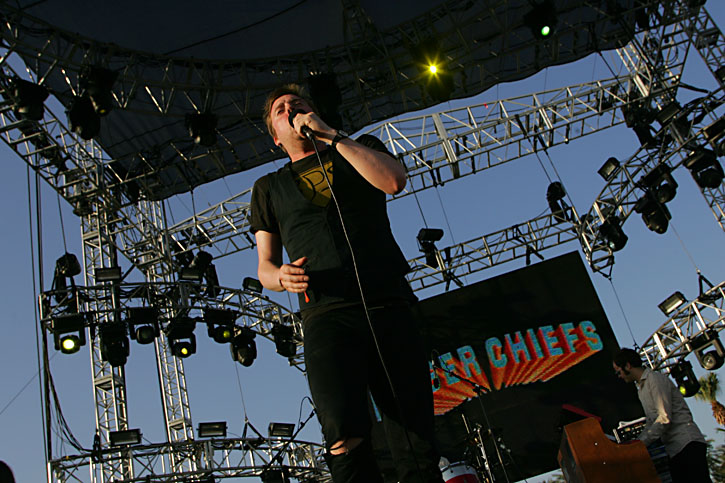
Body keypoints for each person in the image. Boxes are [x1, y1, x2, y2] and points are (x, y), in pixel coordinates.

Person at [250, 84, 444, 483]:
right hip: (326, 314)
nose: (291, 109)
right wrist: (280, 277)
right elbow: (264, 267)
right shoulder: (268, 188)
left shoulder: (359, 147)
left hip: (387, 301)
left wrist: (331, 136)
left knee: (414, 434)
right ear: (276, 138)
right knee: (342, 431)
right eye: (281, 110)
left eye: (298, 104)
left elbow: (393, 181)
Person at [612, 348, 711, 483]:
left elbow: (664, 418)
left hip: (686, 442)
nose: (619, 376)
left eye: (618, 372)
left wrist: (640, 443)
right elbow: (652, 422)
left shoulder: (655, 379)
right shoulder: (641, 390)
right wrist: (637, 443)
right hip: (673, 450)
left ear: (628, 365)